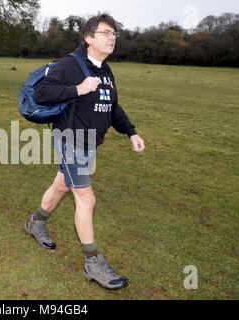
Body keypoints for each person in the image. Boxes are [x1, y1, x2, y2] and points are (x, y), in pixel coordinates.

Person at [24, 14, 145, 290]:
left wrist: (131, 132)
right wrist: (78, 89)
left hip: (89, 141)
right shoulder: (71, 65)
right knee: (86, 199)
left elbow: (112, 107)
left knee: (63, 185)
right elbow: (42, 92)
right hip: (70, 138)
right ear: (88, 37)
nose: (112, 37)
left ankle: (36, 222)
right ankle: (93, 262)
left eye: (114, 33)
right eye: (105, 33)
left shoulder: (105, 69)